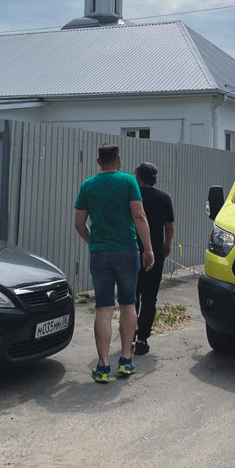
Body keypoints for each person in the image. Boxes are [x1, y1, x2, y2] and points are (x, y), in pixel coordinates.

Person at [74, 144, 154, 383]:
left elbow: (79, 223)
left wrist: (93, 242)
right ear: (118, 160)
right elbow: (139, 216)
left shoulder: (87, 185)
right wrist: (148, 248)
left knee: (104, 307)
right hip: (127, 251)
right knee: (128, 304)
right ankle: (126, 360)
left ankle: (102, 366)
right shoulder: (129, 182)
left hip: (100, 252)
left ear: (98, 161)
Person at [133, 162, 175, 356]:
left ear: (138, 177)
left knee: (132, 297)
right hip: (155, 254)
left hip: (132, 252)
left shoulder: (132, 197)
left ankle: (129, 334)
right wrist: (166, 246)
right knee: (150, 297)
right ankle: (142, 339)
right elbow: (169, 226)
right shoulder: (164, 198)